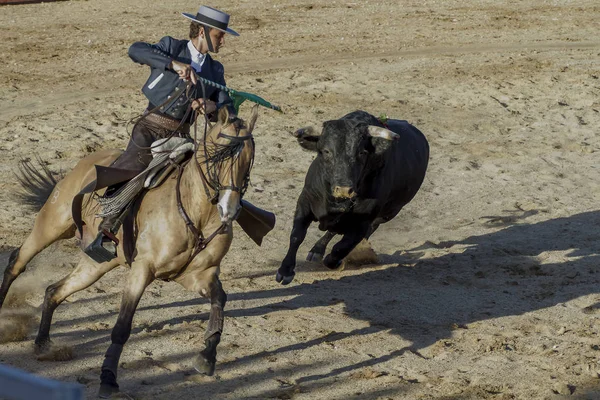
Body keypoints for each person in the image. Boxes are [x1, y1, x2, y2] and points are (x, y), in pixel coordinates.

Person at [86, 5, 240, 260]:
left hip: (181, 137)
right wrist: (173, 64)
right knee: (133, 166)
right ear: (202, 32)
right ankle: (105, 228)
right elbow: (135, 50)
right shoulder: (172, 47)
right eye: (219, 35)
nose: (223, 40)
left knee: (208, 177)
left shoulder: (215, 70)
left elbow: (227, 109)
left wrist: (210, 106)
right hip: (149, 127)